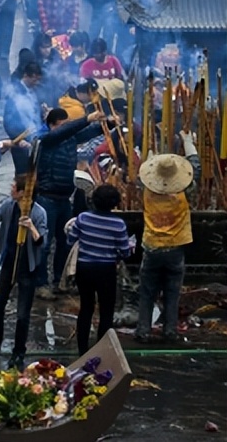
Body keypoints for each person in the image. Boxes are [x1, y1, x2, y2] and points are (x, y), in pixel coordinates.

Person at [34, 108, 110, 297]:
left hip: (64, 198)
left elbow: (90, 132)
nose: (66, 129)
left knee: (66, 241)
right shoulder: (46, 139)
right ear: (52, 125)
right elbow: (65, 132)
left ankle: (61, 280)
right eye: (62, 125)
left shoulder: (70, 139)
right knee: (43, 242)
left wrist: (109, 123)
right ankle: (41, 284)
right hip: (46, 198)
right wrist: (86, 118)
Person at [136, 137, 198, 344]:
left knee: (146, 293)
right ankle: (170, 331)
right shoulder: (184, 192)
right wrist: (189, 143)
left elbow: (142, 175)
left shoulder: (147, 191)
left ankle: (143, 331)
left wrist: (151, 157)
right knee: (172, 292)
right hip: (175, 248)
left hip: (152, 247)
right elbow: (194, 169)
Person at [0, 174, 47, 368]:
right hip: (9, 262)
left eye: (14, 187)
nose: (11, 189)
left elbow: (42, 242)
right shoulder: (9, 206)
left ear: (23, 193)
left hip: (26, 267)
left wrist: (31, 228)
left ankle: (19, 352)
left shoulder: (38, 213)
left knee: (22, 313)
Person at [66, 184, 133, 354]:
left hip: (84, 268)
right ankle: (102, 350)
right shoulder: (118, 224)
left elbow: (70, 240)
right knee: (106, 310)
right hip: (106, 270)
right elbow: (125, 252)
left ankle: (82, 349)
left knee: (86, 307)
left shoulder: (83, 218)